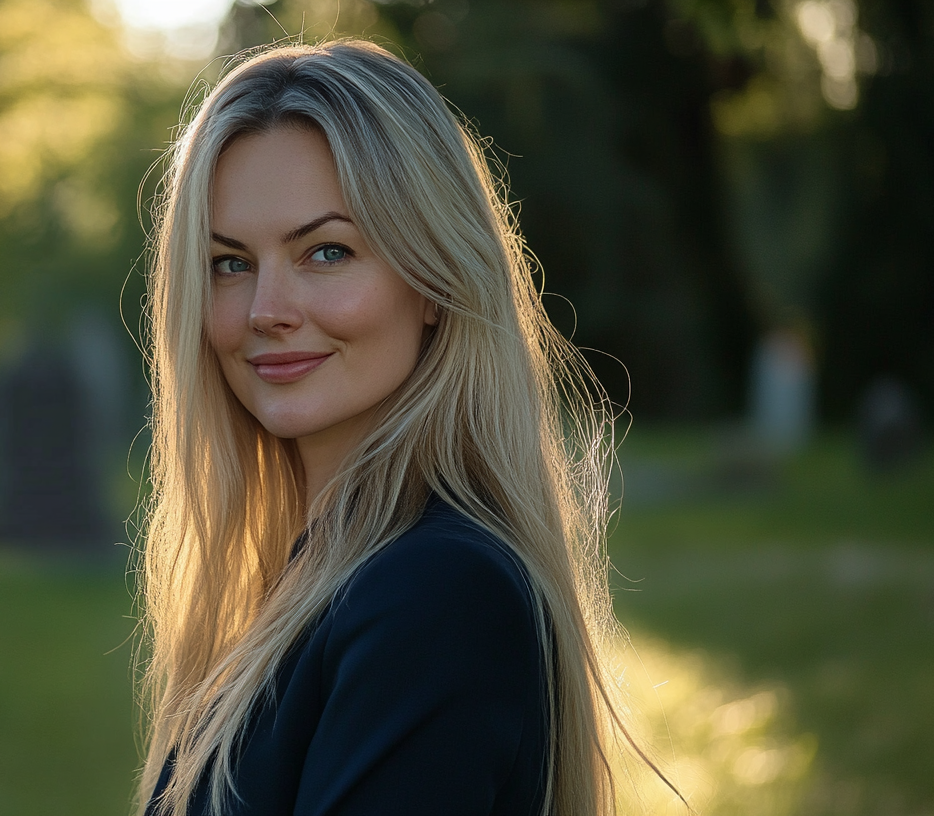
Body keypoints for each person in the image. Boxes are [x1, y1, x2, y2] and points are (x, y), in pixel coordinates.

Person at [135, 40, 663, 816]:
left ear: (433, 281)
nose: (265, 311)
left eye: (326, 251)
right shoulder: (311, 578)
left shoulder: (437, 594)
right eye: (229, 263)